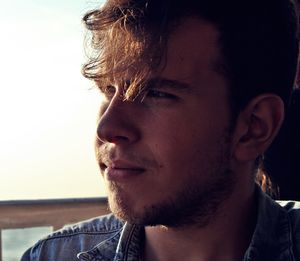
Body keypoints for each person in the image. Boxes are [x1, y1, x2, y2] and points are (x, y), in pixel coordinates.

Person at [22, 0, 300, 260]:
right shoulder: (51, 255)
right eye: (108, 89)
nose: (107, 128)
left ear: (253, 127)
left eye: (155, 93)